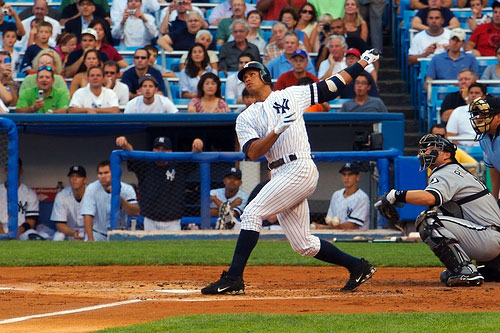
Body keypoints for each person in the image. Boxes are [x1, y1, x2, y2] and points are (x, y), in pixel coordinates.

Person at [201, 49, 380, 295]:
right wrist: (275, 131)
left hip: (300, 167)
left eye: (251, 74)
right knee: (303, 244)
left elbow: (331, 86)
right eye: (244, 77)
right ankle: (358, 266)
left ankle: (234, 278)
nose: (247, 79)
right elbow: (252, 153)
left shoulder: (292, 94)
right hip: (279, 172)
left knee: (252, 212)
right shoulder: (245, 117)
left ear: (264, 76)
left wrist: (362, 63)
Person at [375, 134, 500, 285]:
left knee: (428, 221)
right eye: (425, 150)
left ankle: (465, 271)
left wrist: (395, 195)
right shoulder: (453, 171)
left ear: (447, 155)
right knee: (437, 218)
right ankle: (480, 268)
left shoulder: (448, 170)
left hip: (487, 238)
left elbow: (430, 198)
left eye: (433, 149)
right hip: (488, 239)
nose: (427, 153)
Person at [115, 136, 203, 231]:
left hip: (173, 222)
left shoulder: (178, 166)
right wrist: (125, 144)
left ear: (170, 152)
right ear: (153, 150)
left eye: (164, 149)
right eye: (158, 149)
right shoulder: (145, 166)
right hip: (150, 221)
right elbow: (131, 154)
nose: (160, 152)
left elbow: (194, 154)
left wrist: (197, 144)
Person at [81, 160, 139, 241]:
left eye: (106, 173)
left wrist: (120, 198)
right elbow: (87, 215)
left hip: (120, 233)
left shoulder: (127, 189)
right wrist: (90, 239)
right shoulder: (92, 188)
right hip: (98, 233)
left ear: (113, 173)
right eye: (100, 173)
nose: (103, 176)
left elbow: (135, 212)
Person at [312, 162, 369, 230]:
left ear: (357, 177)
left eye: (350, 174)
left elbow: (351, 226)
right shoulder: (336, 195)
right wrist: (328, 225)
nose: (346, 178)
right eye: (344, 174)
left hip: (356, 237)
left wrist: (322, 227)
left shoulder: (362, 197)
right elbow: (330, 220)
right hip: (336, 234)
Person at [0, 159, 41, 240]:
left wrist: (18, 232)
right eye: (10, 167)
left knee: (34, 237)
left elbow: (31, 220)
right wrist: (2, 233)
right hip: (1, 228)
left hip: (21, 230)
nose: (13, 170)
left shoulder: (29, 193)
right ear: (5, 170)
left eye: (16, 167)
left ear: (21, 170)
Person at [469, 95, 500, 200]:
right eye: (477, 114)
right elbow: (494, 168)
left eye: (485, 114)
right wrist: (494, 199)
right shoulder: (484, 138)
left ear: (499, 117)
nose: (479, 118)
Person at [51, 165, 87, 241]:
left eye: (78, 176)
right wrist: (73, 233)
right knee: (58, 237)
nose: (74, 179)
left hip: (89, 232)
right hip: (69, 232)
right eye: (72, 176)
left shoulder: (92, 194)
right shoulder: (61, 196)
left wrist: (88, 233)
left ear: (85, 180)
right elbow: (59, 225)